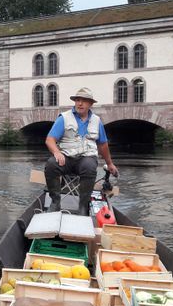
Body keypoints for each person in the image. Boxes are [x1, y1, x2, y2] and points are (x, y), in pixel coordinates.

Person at [44, 87, 119, 215]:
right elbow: (50, 140)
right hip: (66, 158)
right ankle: (55, 202)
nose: (80, 103)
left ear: (90, 104)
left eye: (84, 101)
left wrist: (110, 163)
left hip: (86, 158)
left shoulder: (97, 121)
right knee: (51, 165)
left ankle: (83, 207)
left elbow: (103, 145)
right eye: (77, 100)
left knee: (89, 166)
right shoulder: (64, 118)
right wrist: (57, 152)